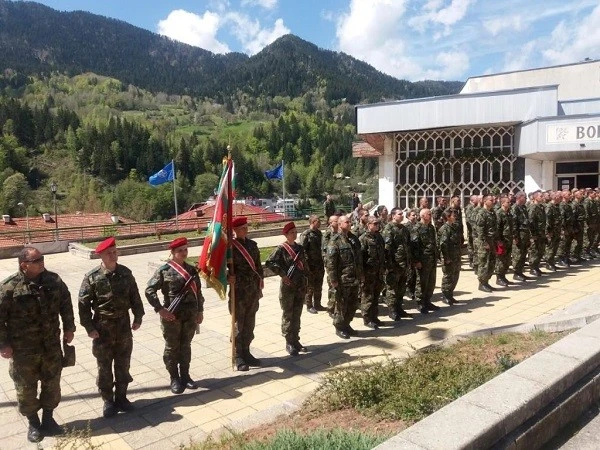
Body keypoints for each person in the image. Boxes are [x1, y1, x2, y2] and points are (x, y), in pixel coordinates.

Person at [0, 247, 75, 443]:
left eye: (42, 258)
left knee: (52, 384)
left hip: (50, 345)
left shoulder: (54, 281)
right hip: (24, 350)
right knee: (26, 388)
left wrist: (69, 328)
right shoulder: (9, 287)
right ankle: (33, 423)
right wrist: (3, 344)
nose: (42, 262)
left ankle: (48, 419)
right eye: (37, 260)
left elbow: (65, 304)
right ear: (24, 265)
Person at [78, 237, 145, 418]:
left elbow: (135, 297)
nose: (114, 255)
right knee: (104, 366)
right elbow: (83, 305)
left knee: (123, 364)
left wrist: (138, 316)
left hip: (123, 326)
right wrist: (89, 328)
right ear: (101, 255)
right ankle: (108, 401)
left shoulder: (126, 273)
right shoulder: (92, 278)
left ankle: (122, 397)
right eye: (110, 253)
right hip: (103, 328)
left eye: (115, 252)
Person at [145, 237, 205, 389]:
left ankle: (185, 376)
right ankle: (174, 378)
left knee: (186, 346)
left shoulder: (192, 270)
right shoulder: (164, 271)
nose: (184, 253)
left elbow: (198, 293)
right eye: (180, 250)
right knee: (172, 348)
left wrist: (200, 311)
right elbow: (149, 290)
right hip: (172, 316)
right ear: (172, 252)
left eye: (185, 249)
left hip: (190, 315)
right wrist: (160, 309)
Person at [224, 217, 264, 371]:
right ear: (235, 230)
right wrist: (229, 277)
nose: (245, 230)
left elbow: (258, 268)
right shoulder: (230, 248)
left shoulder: (252, 246)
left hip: (252, 291)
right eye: (242, 228)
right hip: (238, 292)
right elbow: (221, 269)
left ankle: (246, 351)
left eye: (246, 227)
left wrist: (259, 287)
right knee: (238, 325)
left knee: (249, 324)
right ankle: (238, 355)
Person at [266, 222, 309, 355]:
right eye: (292, 232)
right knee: (288, 315)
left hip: (300, 286)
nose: (295, 234)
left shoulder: (300, 248)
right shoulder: (281, 249)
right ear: (286, 234)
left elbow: (305, 265)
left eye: (296, 232)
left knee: (297, 314)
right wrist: (283, 274)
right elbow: (270, 262)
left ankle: (296, 340)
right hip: (288, 287)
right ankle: (289, 342)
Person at [326, 214, 363, 339]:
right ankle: (339, 326)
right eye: (346, 222)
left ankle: (347, 324)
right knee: (342, 305)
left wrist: (361, 274)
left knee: (352, 304)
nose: (349, 224)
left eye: (350, 222)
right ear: (340, 224)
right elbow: (331, 263)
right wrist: (334, 280)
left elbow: (359, 259)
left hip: (354, 278)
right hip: (343, 280)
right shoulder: (334, 241)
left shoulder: (353, 239)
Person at [382, 207, 411, 320]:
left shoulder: (403, 229)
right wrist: (389, 265)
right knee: (392, 289)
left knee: (402, 287)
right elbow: (387, 249)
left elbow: (407, 245)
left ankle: (399, 308)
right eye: (399, 214)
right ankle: (392, 310)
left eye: (402, 214)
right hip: (394, 265)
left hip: (404, 264)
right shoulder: (389, 229)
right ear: (393, 216)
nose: (402, 216)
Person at [410, 209, 440, 314]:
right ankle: (420, 303)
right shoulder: (417, 228)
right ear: (422, 216)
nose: (431, 215)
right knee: (421, 282)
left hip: (432, 259)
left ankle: (428, 301)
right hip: (423, 260)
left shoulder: (431, 227)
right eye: (429, 214)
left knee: (431, 282)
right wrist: (417, 261)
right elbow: (414, 246)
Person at [359, 216, 386, 328]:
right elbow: (360, 258)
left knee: (376, 296)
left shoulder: (379, 237)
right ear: (368, 225)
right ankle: (367, 318)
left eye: (377, 224)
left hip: (378, 272)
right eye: (374, 224)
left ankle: (374, 317)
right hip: (368, 273)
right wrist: (362, 274)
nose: (377, 225)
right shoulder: (363, 239)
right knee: (367, 297)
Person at [300, 215, 325, 314]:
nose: (320, 223)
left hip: (319, 263)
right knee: (310, 286)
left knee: (319, 285)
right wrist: (306, 265)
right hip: (310, 265)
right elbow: (302, 250)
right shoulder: (306, 234)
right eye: (318, 221)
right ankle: (309, 305)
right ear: (313, 222)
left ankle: (317, 304)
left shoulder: (319, 233)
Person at [475, 195, 498, 292]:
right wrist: (484, 243)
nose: (493, 201)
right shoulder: (481, 213)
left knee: (491, 262)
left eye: (493, 200)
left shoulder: (492, 212)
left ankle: (487, 281)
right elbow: (480, 230)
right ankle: (482, 283)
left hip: (492, 241)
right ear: (485, 201)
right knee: (484, 263)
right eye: (491, 200)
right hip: (485, 242)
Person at [438, 209, 462, 304]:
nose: (455, 216)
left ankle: (450, 294)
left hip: (455, 256)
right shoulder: (445, 229)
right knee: (448, 277)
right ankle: (445, 295)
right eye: (453, 215)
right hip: (448, 257)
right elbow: (443, 245)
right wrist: (446, 258)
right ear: (447, 217)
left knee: (455, 276)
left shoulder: (454, 227)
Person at [511, 192, 531, 281]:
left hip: (525, 234)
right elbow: (514, 224)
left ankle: (520, 272)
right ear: (519, 198)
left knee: (523, 254)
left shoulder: (523, 208)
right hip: (519, 235)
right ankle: (516, 273)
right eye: (525, 197)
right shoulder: (514, 208)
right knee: (518, 255)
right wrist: (515, 237)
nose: (526, 199)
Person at [495, 195, 514, 285]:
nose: (510, 203)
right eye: (508, 202)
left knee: (507, 260)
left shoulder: (509, 213)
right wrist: (499, 240)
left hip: (508, 240)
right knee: (501, 260)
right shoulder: (499, 213)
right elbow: (497, 228)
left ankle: (503, 276)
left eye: (510, 202)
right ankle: (499, 278)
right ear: (502, 203)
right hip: (502, 240)